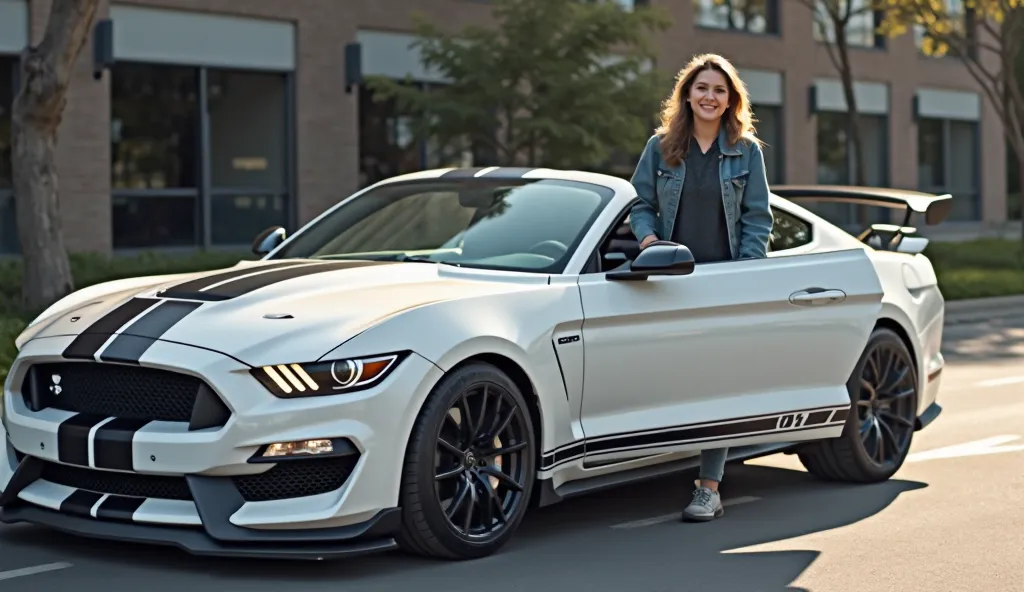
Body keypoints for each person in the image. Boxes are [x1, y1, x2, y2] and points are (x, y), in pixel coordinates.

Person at [627, 53, 774, 523]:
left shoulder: (746, 151)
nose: (710, 97)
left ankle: (708, 487)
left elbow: (757, 219)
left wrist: (745, 273)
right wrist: (649, 241)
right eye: (702, 88)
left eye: (719, 90)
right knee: (672, 376)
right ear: (687, 94)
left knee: (717, 381)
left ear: (731, 100)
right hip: (671, 276)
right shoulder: (661, 147)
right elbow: (640, 204)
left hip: (723, 281)